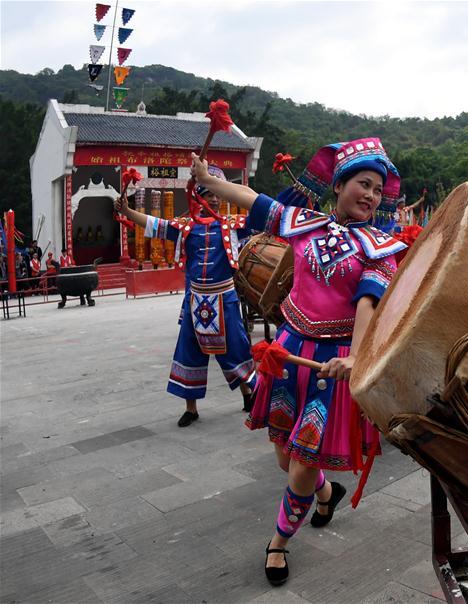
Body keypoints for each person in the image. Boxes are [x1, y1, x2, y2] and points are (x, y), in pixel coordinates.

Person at [191, 137, 406, 587]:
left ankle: (279, 542)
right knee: (283, 456)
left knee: (304, 459)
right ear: (338, 184)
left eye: (376, 190)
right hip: (287, 355)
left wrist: (358, 357)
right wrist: (212, 182)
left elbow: (368, 302)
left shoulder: (380, 245)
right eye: (362, 184)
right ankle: (326, 494)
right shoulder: (303, 224)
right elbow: (256, 201)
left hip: (331, 367)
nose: (369, 195)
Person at [115, 165, 257, 427]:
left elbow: (266, 215)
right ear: (197, 196)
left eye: (216, 194)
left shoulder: (233, 226)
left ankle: (249, 395)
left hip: (224, 298)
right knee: (189, 351)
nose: (213, 199)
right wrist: (127, 211)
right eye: (207, 193)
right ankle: (191, 409)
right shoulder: (185, 227)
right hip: (196, 301)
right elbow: (155, 224)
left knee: (236, 349)